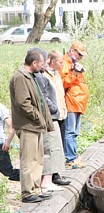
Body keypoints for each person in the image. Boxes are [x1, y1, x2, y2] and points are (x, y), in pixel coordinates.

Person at [10, 48, 54, 203]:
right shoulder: (20, 77)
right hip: (28, 124)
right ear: (34, 63)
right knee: (29, 160)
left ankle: (35, 188)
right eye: (41, 63)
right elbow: (23, 103)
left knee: (38, 158)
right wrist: (38, 117)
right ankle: (27, 192)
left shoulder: (31, 76)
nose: (43, 66)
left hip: (35, 125)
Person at [44, 50, 71, 185]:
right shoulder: (44, 75)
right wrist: (54, 109)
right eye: (60, 62)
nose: (62, 65)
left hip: (62, 113)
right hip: (52, 115)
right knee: (52, 146)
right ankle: (53, 175)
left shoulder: (57, 75)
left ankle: (58, 172)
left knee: (60, 145)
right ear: (53, 62)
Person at [61, 41, 89, 168]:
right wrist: (75, 73)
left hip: (78, 102)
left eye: (82, 55)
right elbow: (63, 84)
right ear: (72, 51)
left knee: (74, 132)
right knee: (70, 132)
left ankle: (73, 157)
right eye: (79, 54)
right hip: (71, 102)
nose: (80, 57)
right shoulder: (65, 63)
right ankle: (70, 159)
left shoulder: (73, 63)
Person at [0, 102, 20, 182]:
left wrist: (8, 142)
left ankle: (34, 176)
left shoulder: (1, 108)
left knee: (9, 172)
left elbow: (12, 126)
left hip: (0, 144)